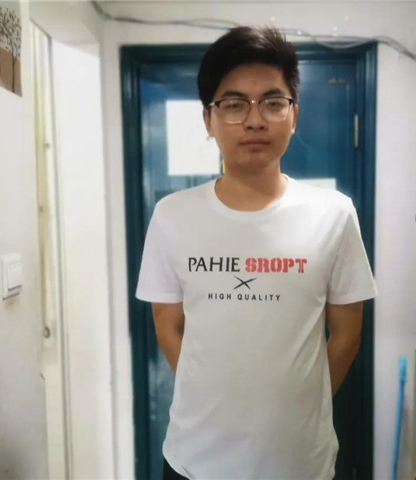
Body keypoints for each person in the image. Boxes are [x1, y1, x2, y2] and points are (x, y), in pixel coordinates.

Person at [136, 26, 378, 480]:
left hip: (299, 462)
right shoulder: (172, 215)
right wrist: (214, 400)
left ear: (294, 114)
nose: (254, 120)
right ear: (208, 120)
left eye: (272, 102)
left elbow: (347, 336)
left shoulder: (334, 213)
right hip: (195, 460)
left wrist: (299, 406)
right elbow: (168, 326)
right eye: (233, 104)